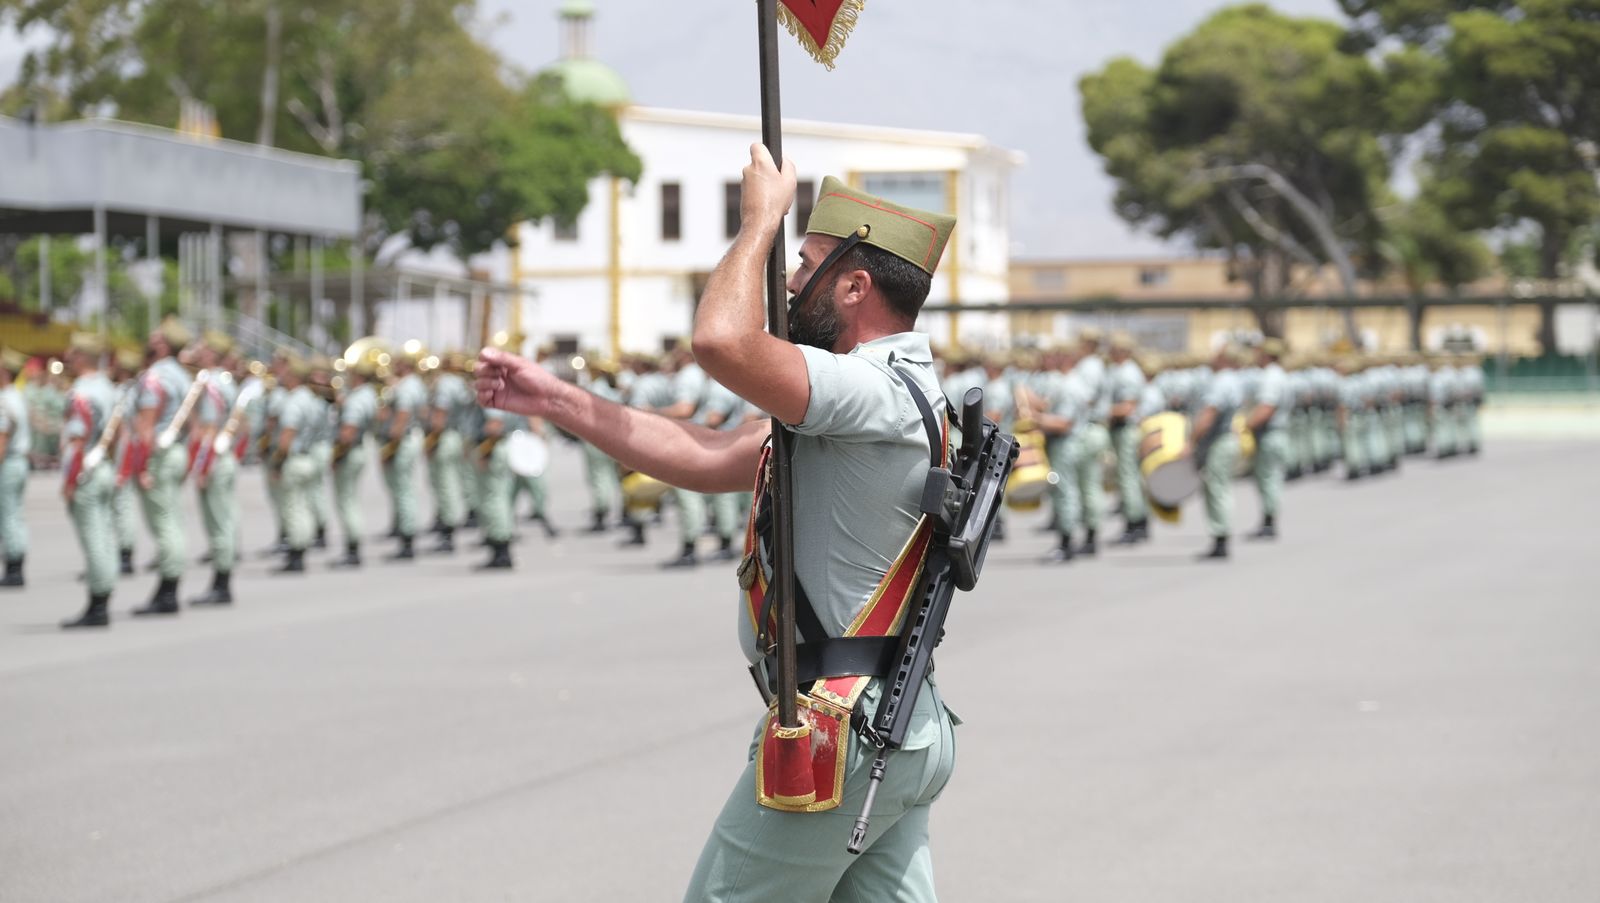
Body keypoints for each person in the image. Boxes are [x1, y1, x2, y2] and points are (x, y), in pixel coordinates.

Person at [478, 154, 959, 902]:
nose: (790, 284)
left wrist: (760, 221)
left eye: (803, 266)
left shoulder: (874, 388)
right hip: (890, 723)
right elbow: (707, 456)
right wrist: (558, 401)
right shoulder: (879, 393)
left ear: (855, 286)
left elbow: (723, 343)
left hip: (847, 730)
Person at [130, 317, 195, 615]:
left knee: (165, 523)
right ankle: (169, 585)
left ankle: (168, 590)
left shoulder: (156, 376)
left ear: (163, 344)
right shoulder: (182, 376)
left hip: (158, 454)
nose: (151, 339)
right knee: (173, 519)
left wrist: (141, 465)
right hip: (176, 451)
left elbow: (146, 423)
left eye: (156, 336)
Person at [60, 334, 120, 628]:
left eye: (73, 352)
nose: (68, 356)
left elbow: (77, 439)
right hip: (106, 466)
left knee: (93, 538)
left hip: (86, 471)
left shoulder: (80, 392)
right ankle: (104, 593)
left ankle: (98, 603)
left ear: (82, 356)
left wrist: (69, 481)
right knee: (105, 534)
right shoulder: (109, 388)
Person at [188, 331, 241, 605]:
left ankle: (221, 585)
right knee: (225, 520)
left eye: (203, 347)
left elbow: (208, 429)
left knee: (218, 523)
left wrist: (202, 466)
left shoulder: (210, 384)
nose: (198, 351)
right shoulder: (228, 381)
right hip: (226, 456)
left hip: (215, 459)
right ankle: (222, 581)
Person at [1187, 345, 1245, 560]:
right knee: (1219, 488)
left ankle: (1220, 537)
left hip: (1218, 442)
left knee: (1217, 488)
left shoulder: (1222, 381)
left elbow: (1209, 414)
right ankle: (1220, 535)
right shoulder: (1233, 379)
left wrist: (1191, 441)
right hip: (1225, 439)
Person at [331, 353, 380, 568]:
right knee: (350, 499)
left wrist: (336, 456)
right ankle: (353, 547)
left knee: (347, 501)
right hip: (359, 450)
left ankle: (352, 548)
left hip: (350, 452)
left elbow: (347, 433)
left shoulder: (358, 398)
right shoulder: (368, 395)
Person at [381, 344, 428, 560]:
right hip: (412, 437)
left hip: (404, 439)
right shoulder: (413, 383)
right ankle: (402, 529)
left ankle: (407, 536)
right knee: (403, 487)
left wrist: (391, 444)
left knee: (404, 488)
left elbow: (402, 415)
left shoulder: (408, 386)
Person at [1105, 332, 1148, 544]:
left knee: (1128, 477)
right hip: (1120, 429)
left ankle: (1134, 523)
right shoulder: (1119, 370)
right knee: (1128, 477)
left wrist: (1102, 411)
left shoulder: (1128, 373)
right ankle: (1137, 519)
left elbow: (1128, 406)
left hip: (1126, 428)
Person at [1246, 338, 1290, 539]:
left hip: (1270, 434)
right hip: (1277, 433)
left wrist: (1245, 427)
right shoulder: (1280, 374)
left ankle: (1269, 522)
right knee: (1271, 478)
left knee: (1268, 479)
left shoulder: (1271, 376)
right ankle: (1269, 519)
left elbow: (1266, 408)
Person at [0, 348, 31, 587]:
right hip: (19, 462)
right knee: (15, 513)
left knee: (8, 515)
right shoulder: (16, 395)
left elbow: (2, 438)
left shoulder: (3, 399)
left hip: (8, 463)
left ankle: (13, 568)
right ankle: (16, 562)